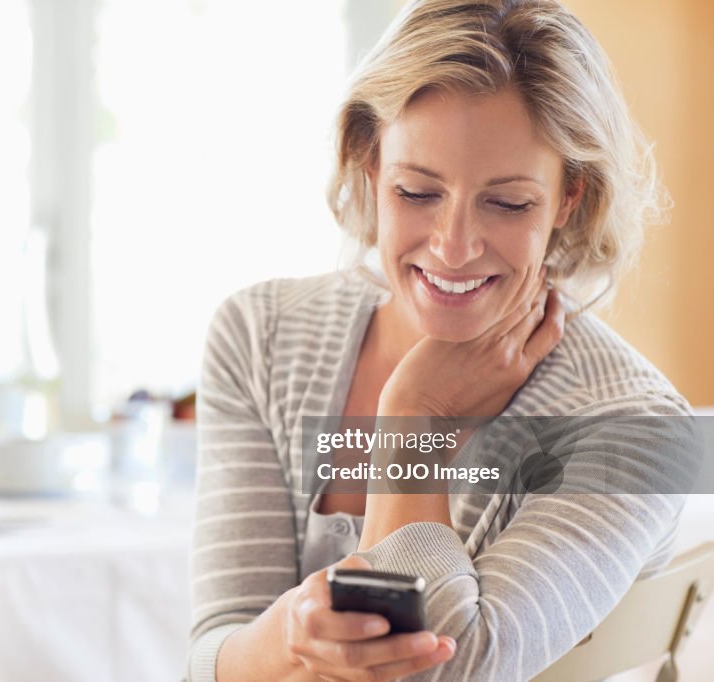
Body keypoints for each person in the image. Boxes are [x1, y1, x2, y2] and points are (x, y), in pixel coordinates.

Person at [187, 1, 695, 680]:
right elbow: (209, 657)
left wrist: (412, 418)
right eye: (417, 192)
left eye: (509, 202)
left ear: (569, 197)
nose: (454, 248)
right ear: (371, 167)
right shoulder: (262, 334)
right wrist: (288, 635)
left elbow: (440, 674)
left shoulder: (637, 427)